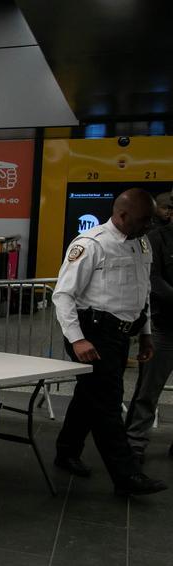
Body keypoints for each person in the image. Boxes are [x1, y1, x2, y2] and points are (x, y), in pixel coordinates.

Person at [53, 188, 167, 495]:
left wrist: (144, 334)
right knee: (107, 404)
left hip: (121, 335)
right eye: (144, 220)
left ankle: (66, 450)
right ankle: (126, 475)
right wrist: (77, 341)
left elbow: (142, 293)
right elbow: (62, 295)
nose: (149, 226)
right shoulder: (91, 244)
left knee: (89, 397)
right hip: (91, 334)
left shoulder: (142, 244)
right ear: (123, 215)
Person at [125, 191, 173, 463]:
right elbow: (152, 281)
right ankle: (134, 444)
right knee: (148, 392)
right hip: (163, 328)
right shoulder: (156, 239)